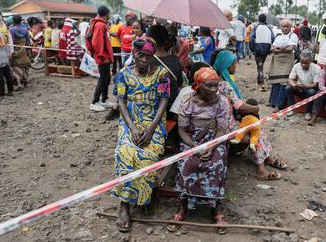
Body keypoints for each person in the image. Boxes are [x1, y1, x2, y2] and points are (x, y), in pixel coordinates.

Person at [111, 38, 170, 232]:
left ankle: (146, 195)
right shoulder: (122, 75)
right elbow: (121, 101)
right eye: (140, 55)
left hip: (154, 123)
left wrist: (152, 128)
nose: (145, 60)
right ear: (133, 55)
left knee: (146, 156)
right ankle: (124, 205)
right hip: (130, 123)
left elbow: (163, 102)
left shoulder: (162, 74)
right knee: (125, 152)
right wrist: (133, 129)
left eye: (148, 56)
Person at [168, 67, 229, 234]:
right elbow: (181, 131)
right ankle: (182, 208)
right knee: (187, 163)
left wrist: (210, 147)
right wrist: (195, 147)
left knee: (216, 163)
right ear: (198, 85)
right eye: (209, 86)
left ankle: (217, 209)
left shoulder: (222, 101)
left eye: (216, 86)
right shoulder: (187, 101)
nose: (213, 90)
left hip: (214, 140)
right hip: (192, 140)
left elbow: (222, 130)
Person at [213, 50, 286, 180]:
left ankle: (268, 159)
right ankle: (262, 171)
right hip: (225, 125)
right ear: (226, 65)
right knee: (258, 132)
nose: (235, 66)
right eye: (233, 63)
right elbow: (239, 106)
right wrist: (255, 108)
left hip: (221, 121)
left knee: (256, 126)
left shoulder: (215, 80)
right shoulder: (224, 84)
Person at [146, 25, 183, 117]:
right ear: (166, 41)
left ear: (149, 40)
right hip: (172, 106)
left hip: (152, 107)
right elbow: (179, 83)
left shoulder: (145, 60)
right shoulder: (175, 59)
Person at [268, 19, 298, 112]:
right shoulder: (278, 36)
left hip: (287, 60)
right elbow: (272, 48)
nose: (285, 28)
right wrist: (284, 47)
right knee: (276, 81)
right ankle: (273, 102)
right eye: (283, 26)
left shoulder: (293, 36)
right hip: (277, 61)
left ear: (290, 27)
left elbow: (291, 48)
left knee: (284, 82)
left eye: (287, 26)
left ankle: (279, 105)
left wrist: (278, 48)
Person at [88, 5, 114, 112]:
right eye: (109, 13)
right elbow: (96, 43)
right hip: (103, 58)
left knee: (107, 79)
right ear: (106, 14)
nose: (110, 15)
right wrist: (102, 56)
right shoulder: (100, 25)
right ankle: (94, 102)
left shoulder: (102, 24)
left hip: (105, 57)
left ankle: (104, 100)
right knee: (103, 79)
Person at [285, 50, 321, 120]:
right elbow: (290, 79)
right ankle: (292, 109)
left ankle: (308, 112)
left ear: (311, 61)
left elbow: (315, 84)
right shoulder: (296, 66)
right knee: (288, 88)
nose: (303, 64)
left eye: (306, 63)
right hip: (299, 87)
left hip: (309, 88)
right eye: (302, 62)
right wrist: (294, 85)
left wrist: (304, 86)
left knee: (312, 92)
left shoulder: (317, 68)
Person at [9, 15, 31, 88]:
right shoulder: (25, 30)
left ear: (13, 21)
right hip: (23, 50)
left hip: (15, 50)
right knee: (24, 65)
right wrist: (28, 50)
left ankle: (18, 83)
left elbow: (10, 42)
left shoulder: (11, 30)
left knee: (15, 66)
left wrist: (10, 52)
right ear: (21, 20)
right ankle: (25, 81)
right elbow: (28, 42)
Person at [253, 13, 273, 92]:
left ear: (258, 19)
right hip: (266, 49)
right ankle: (258, 82)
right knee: (260, 65)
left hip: (258, 49)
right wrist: (269, 48)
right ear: (265, 20)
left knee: (260, 66)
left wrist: (252, 49)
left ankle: (262, 84)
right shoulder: (269, 28)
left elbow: (251, 39)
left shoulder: (255, 27)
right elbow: (273, 38)